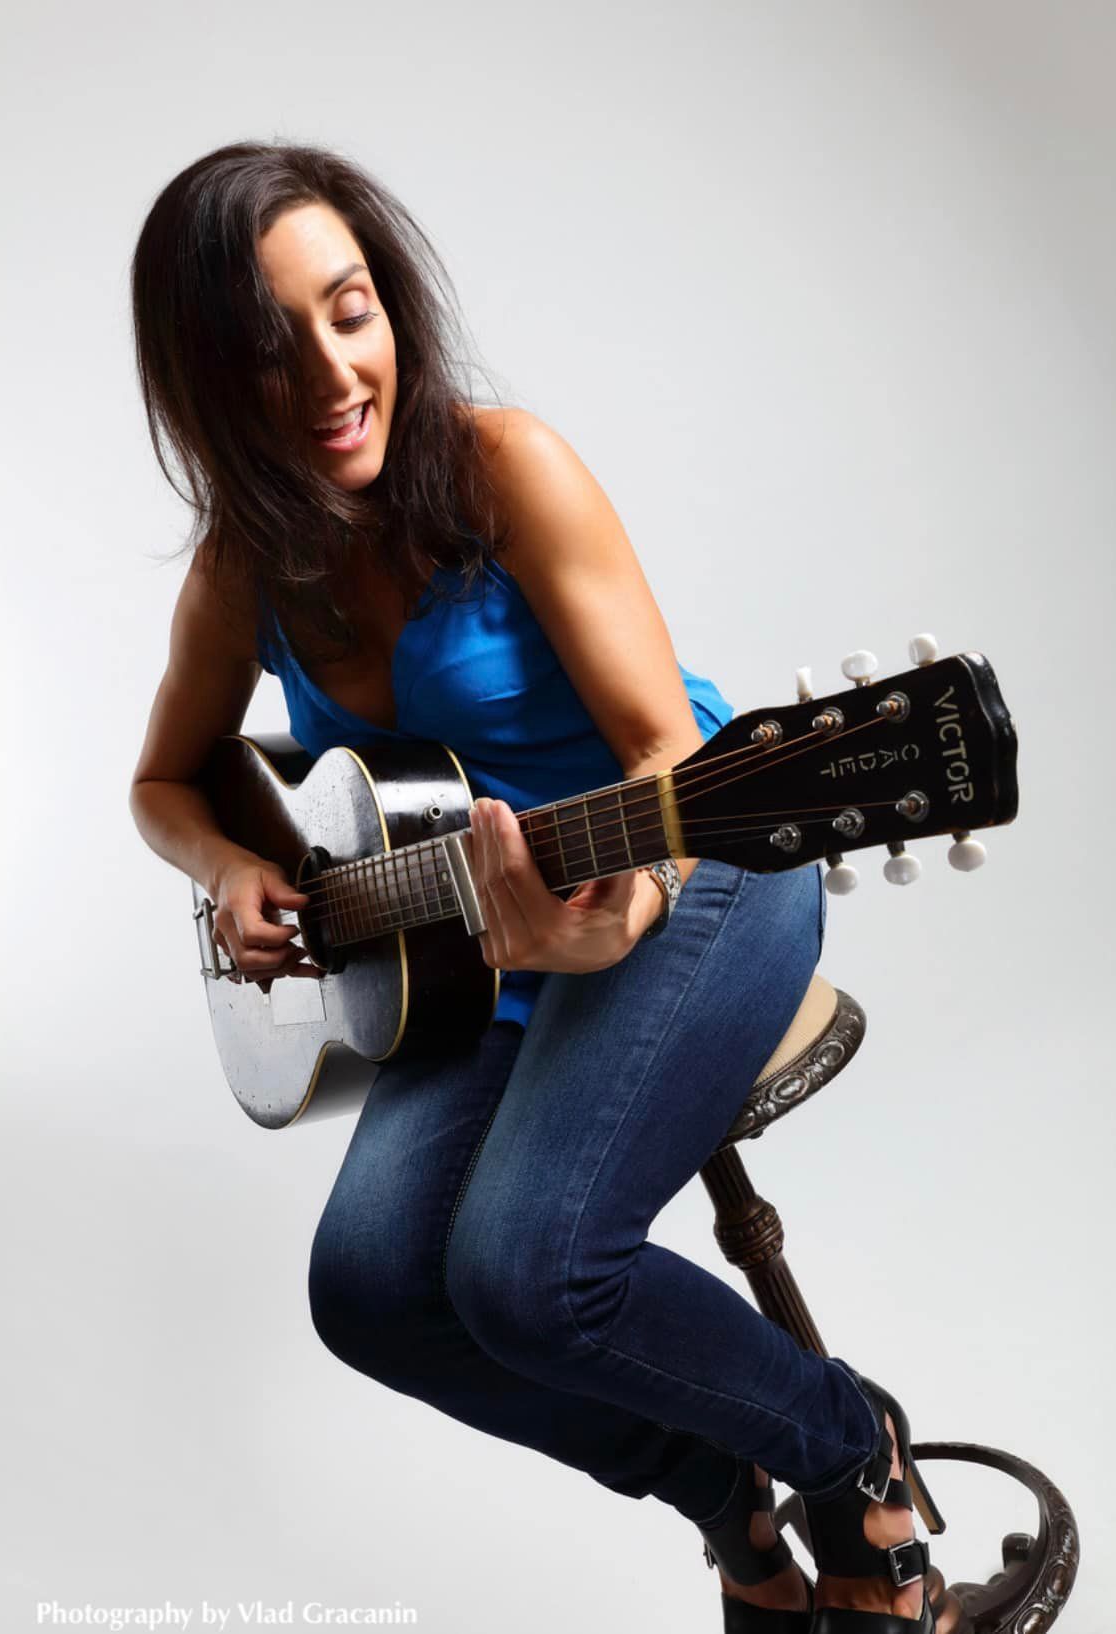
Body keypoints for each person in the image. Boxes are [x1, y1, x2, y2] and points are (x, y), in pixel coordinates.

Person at [127, 141, 948, 1634]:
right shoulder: (248, 569)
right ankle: (726, 1501)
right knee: (370, 1291)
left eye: (351, 309)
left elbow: (657, 752)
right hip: (476, 945)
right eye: (269, 348)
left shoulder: (505, 469)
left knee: (522, 1271)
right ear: (203, 383)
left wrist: (607, 922)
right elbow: (162, 783)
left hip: (698, 867)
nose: (331, 373)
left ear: (392, 309)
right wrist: (237, 864)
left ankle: (849, 1450)